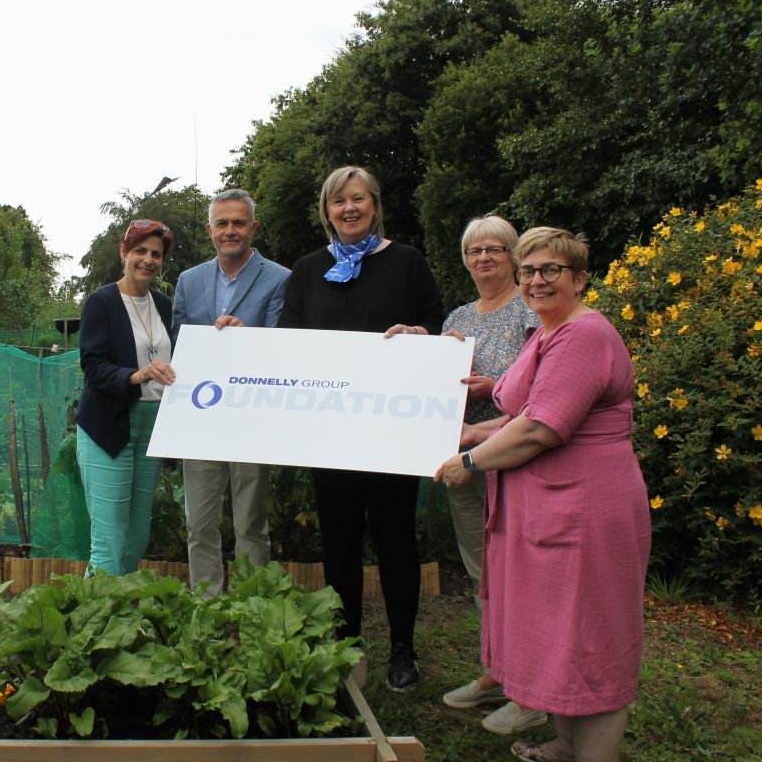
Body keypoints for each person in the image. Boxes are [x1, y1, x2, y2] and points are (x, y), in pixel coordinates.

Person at [435, 227, 651, 762]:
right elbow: (520, 414)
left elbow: (541, 430)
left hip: (584, 512)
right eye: (530, 270)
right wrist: (474, 433)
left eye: (550, 270)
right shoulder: (548, 332)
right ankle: (564, 745)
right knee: (560, 632)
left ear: (579, 278)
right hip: (550, 509)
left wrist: (467, 461)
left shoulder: (583, 336)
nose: (536, 280)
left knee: (589, 638)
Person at [278, 165, 443, 691]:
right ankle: (345, 642)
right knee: (340, 543)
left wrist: (420, 333)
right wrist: (237, 339)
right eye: (337, 202)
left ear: (375, 204)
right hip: (330, 434)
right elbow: (286, 339)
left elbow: (438, 326)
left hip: (392, 432)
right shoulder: (306, 269)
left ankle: (402, 649)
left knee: (396, 541)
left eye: (358, 199)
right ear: (326, 212)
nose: (349, 209)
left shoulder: (406, 261)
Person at [438, 216, 546, 735]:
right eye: (475, 250)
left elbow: (547, 383)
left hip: (516, 457)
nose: (484, 258)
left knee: (521, 571)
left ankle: (533, 687)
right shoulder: (459, 315)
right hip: (463, 458)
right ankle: (496, 673)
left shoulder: (533, 309)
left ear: (513, 256)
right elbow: (437, 384)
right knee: (481, 571)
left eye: (495, 249)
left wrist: (492, 387)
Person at [172, 189, 291, 597]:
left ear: (253, 228)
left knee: (250, 522)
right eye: (222, 223)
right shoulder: (188, 281)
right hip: (200, 417)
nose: (230, 231)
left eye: (239, 223)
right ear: (210, 230)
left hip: (250, 417)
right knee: (199, 523)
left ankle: (251, 605)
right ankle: (207, 607)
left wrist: (249, 340)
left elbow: (284, 345)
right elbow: (179, 346)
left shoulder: (279, 278)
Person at [75, 219, 177, 576]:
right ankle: (98, 624)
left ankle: (126, 616)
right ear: (124, 252)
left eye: (156, 254)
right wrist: (137, 376)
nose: (148, 260)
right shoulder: (101, 302)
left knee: (136, 536)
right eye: (140, 251)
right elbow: (93, 366)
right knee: (109, 539)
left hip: (151, 428)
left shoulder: (163, 305)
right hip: (109, 425)